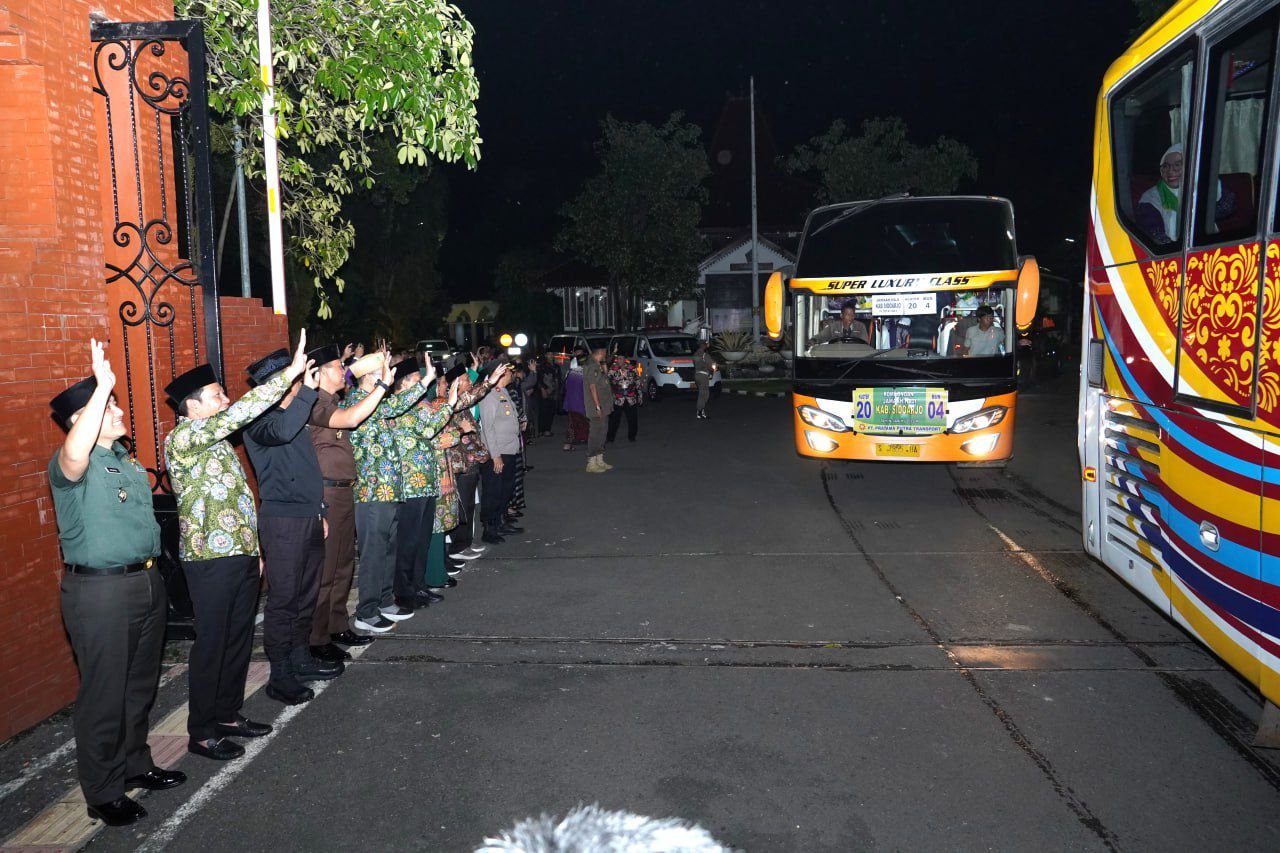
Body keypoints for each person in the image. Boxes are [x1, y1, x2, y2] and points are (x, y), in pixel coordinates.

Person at [47, 340, 185, 827]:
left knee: (138, 687)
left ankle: (135, 764)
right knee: (104, 693)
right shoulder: (69, 465)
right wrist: (101, 386)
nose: (121, 411)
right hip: (100, 593)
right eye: (111, 407)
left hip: (145, 583)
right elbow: (74, 454)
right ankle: (102, 791)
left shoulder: (124, 460)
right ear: (83, 419)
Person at [164, 333, 310, 762]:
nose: (226, 398)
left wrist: (256, 551)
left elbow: (237, 498)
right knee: (212, 642)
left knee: (239, 638)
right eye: (217, 394)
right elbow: (243, 411)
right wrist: (288, 375)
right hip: (209, 559)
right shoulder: (185, 439)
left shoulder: (219, 440)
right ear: (193, 406)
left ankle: (228, 715)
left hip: (240, 554)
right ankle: (202, 730)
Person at [242, 348, 332, 706]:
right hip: (282, 522)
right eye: (294, 380)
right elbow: (282, 431)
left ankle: (300, 658)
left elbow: (308, 470)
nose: (300, 386)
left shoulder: (292, 415)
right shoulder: (259, 421)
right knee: (283, 599)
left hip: (308, 517)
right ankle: (280, 674)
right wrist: (305, 393)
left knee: (306, 594)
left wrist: (320, 510)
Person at [306, 343, 401, 662]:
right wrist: (383, 385)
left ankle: (336, 626)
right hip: (326, 493)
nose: (342, 371)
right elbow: (349, 420)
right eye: (336, 367)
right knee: (327, 567)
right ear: (319, 375)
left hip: (344, 491)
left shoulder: (331, 399)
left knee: (344, 564)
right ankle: (317, 639)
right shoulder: (316, 404)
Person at [346, 351, 429, 634]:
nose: (389, 378)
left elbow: (393, 406)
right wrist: (423, 382)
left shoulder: (376, 402)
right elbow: (393, 406)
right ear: (371, 377)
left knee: (388, 549)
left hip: (389, 489)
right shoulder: (358, 402)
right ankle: (366, 611)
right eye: (383, 373)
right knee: (372, 553)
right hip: (371, 492)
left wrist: (422, 382)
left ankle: (384, 600)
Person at [390, 358, 451, 615]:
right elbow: (427, 432)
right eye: (417, 380)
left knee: (422, 539)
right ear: (404, 384)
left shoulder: (415, 407)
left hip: (426, 483)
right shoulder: (396, 407)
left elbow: (432, 430)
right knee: (408, 541)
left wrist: (453, 400)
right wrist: (452, 403)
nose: (422, 386)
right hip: (410, 486)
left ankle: (418, 584)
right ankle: (404, 592)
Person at [478, 365, 524, 543]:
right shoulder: (489, 395)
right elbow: (487, 427)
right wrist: (495, 455)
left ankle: (500, 522)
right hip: (497, 452)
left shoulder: (502, 391)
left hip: (509, 449)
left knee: (506, 488)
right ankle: (489, 529)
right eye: (510, 371)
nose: (512, 373)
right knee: (493, 491)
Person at [582, 346, 614, 473]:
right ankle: (591, 462)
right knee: (595, 433)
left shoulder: (598, 364)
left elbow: (604, 379)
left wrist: (604, 366)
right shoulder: (591, 365)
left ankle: (599, 459)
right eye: (605, 352)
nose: (606, 355)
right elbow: (592, 387)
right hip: (596, 405)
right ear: (601, 352)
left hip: (604, 404)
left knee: (603, 431)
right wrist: (597, 406)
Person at [605, 349, 643, 443]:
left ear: (625, 359)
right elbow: (606, 382)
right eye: (618, 358)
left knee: (632, 419)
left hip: (630, 397)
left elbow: (637, 382)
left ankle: (632, 436)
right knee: (614, 419)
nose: (619, 360)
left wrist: (640, 396)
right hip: (618, 398)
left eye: (621, 358)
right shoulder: (613, 370)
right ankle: (610, 437)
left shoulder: (631, 369)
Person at [561, 348, 588, 451]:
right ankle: (575, 441)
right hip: (581, 401)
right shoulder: (585, 373)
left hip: (570, 401)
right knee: (582, 421)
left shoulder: (570, 372)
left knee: (573, 422)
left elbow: (565, 384)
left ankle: (576, 439)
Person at [534, 353, 561, 437]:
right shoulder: (542, 366)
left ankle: (547, 429)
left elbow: (558, 379)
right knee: (543, 410)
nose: (551, 356)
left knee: (551, 411)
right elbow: (539, 379)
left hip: (553, 391)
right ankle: (542, 430)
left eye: (552, 354)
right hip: (545, 390)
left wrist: (558, 390)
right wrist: (543, 389)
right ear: (545, 355)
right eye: (549, 354)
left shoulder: (556, 366)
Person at [693, 341, 717, 420]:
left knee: (702, 392)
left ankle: (701, 412)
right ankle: (699, 411)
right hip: (703, 376)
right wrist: (715, 366)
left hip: (697, 375)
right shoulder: (705, 355)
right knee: (704, 394)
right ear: (704, 346)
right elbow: (712, 365)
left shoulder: (695, 355)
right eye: (706, 345)